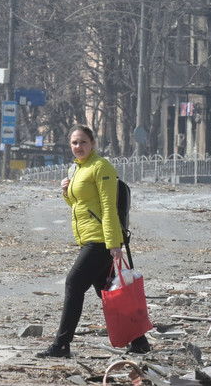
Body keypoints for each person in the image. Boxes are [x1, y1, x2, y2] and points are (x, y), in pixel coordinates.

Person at [37, 125, 151, 358]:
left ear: (93, 143)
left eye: (83, 142)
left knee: (73, 284)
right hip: (89, 238)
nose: (78, 147)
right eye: (74, 143)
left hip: (101, 240)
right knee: (107, 291)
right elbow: (81, 207)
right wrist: (67, 193)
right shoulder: (75, 169)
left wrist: (114, 245)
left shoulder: (101, 167)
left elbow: (109, 208)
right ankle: (139, 341)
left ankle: (61, 344)